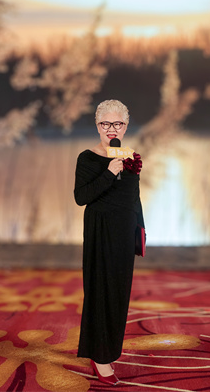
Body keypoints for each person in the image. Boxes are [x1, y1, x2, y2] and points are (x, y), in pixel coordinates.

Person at [74, 99, 145, 386]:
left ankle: (109, 350)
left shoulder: (131, 156)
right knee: (100, 291)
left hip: (124, 231)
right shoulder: (87, 158)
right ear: (97, 126)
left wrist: (140, 230)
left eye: (117, 123)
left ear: (125, 127)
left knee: (119, 293)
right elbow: (81, 197)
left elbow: (134, 197)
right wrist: (109, 172)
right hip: (100, 230)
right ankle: (99, 357)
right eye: (106, 123)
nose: (111, 129)